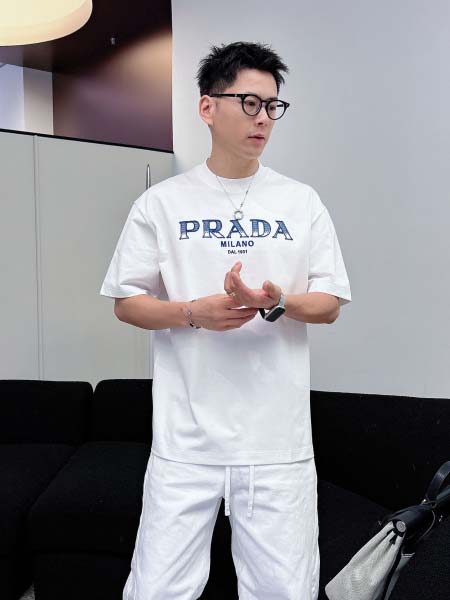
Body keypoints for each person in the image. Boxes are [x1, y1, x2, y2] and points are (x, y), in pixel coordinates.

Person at [100, 40, 352, 600]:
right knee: (157, 590)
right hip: (185, 440)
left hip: (277, 442)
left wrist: (277, 301)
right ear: (207, 107)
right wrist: (193, 313)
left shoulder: (301, 202)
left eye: (272, 106)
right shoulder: (162, 204)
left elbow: (330, 303)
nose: (263, 118)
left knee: (285, 591)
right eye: (249, 103)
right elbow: (126, 301)